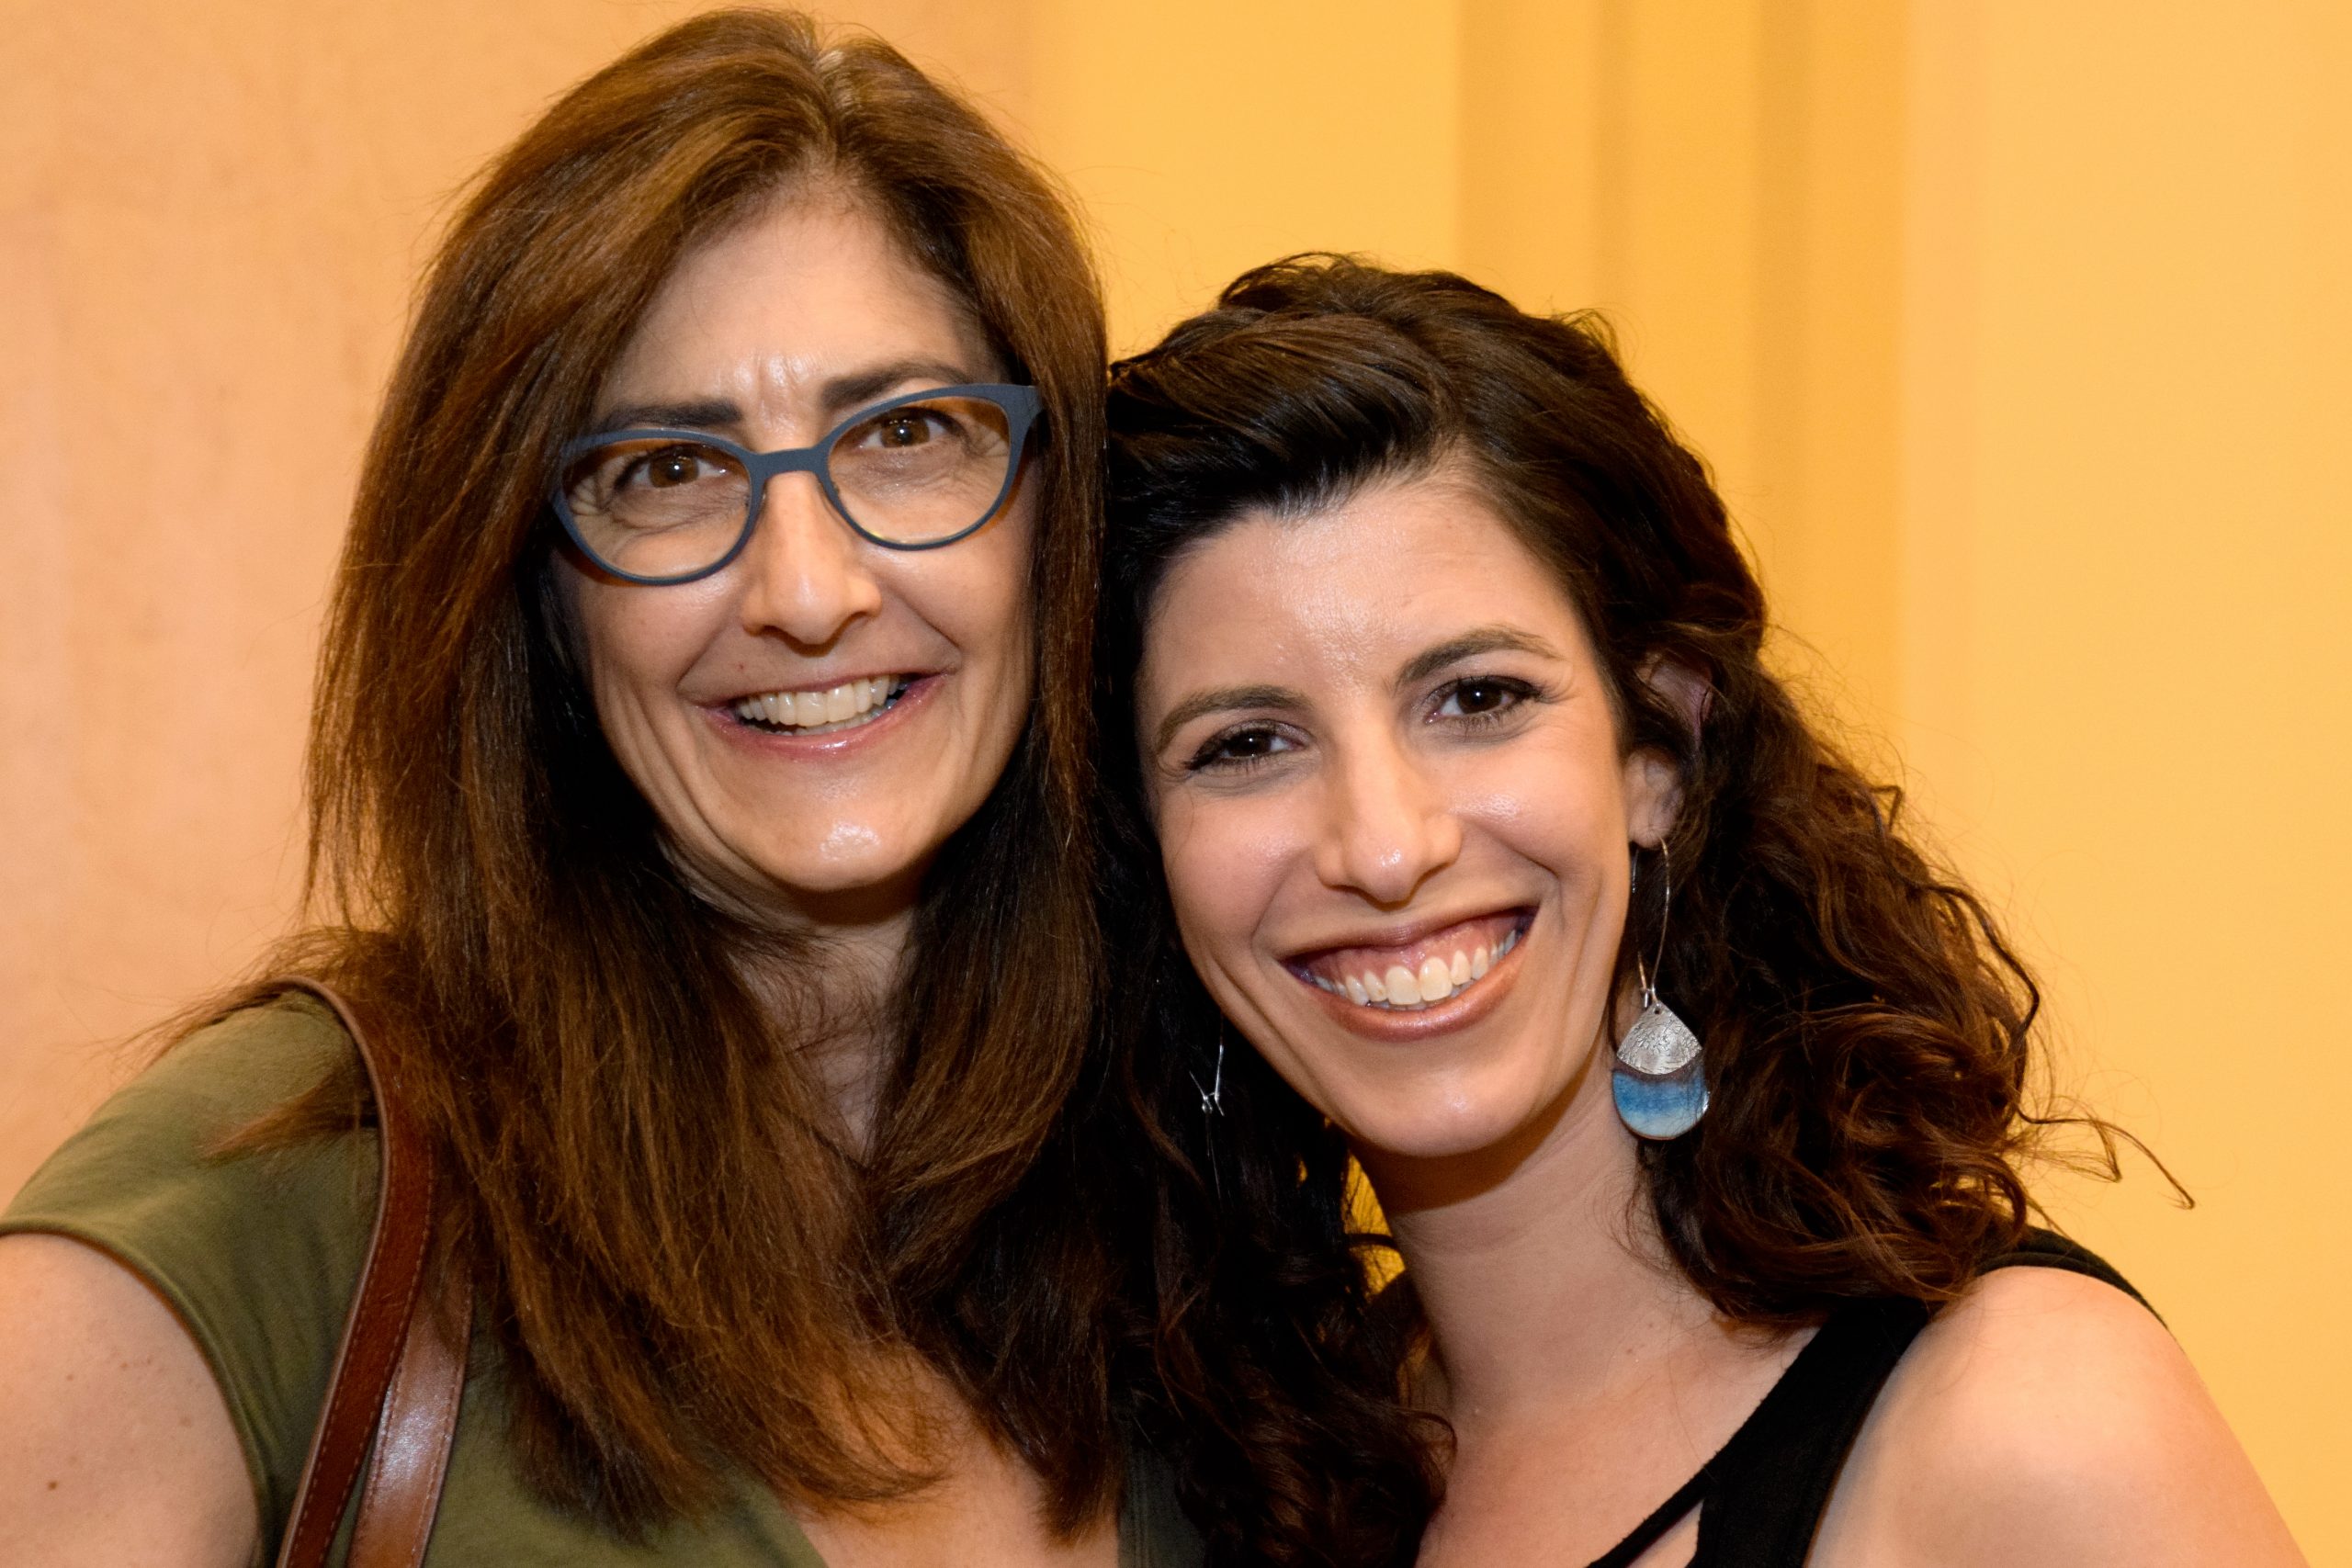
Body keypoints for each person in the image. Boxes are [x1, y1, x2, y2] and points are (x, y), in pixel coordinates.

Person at [0, 12, 1199, 1565]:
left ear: (1057, 518)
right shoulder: (271, 1207)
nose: (808, 590)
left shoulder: (1198, 1230)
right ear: (540, 595)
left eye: (908, 433)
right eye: (667, 470)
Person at [1097, 256, 2306, 1567]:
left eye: (1479, 699)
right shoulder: (1257, 1484)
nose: (1385, 848)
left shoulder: (2027, 1424)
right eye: (1246, 745)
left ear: (1658, 749)